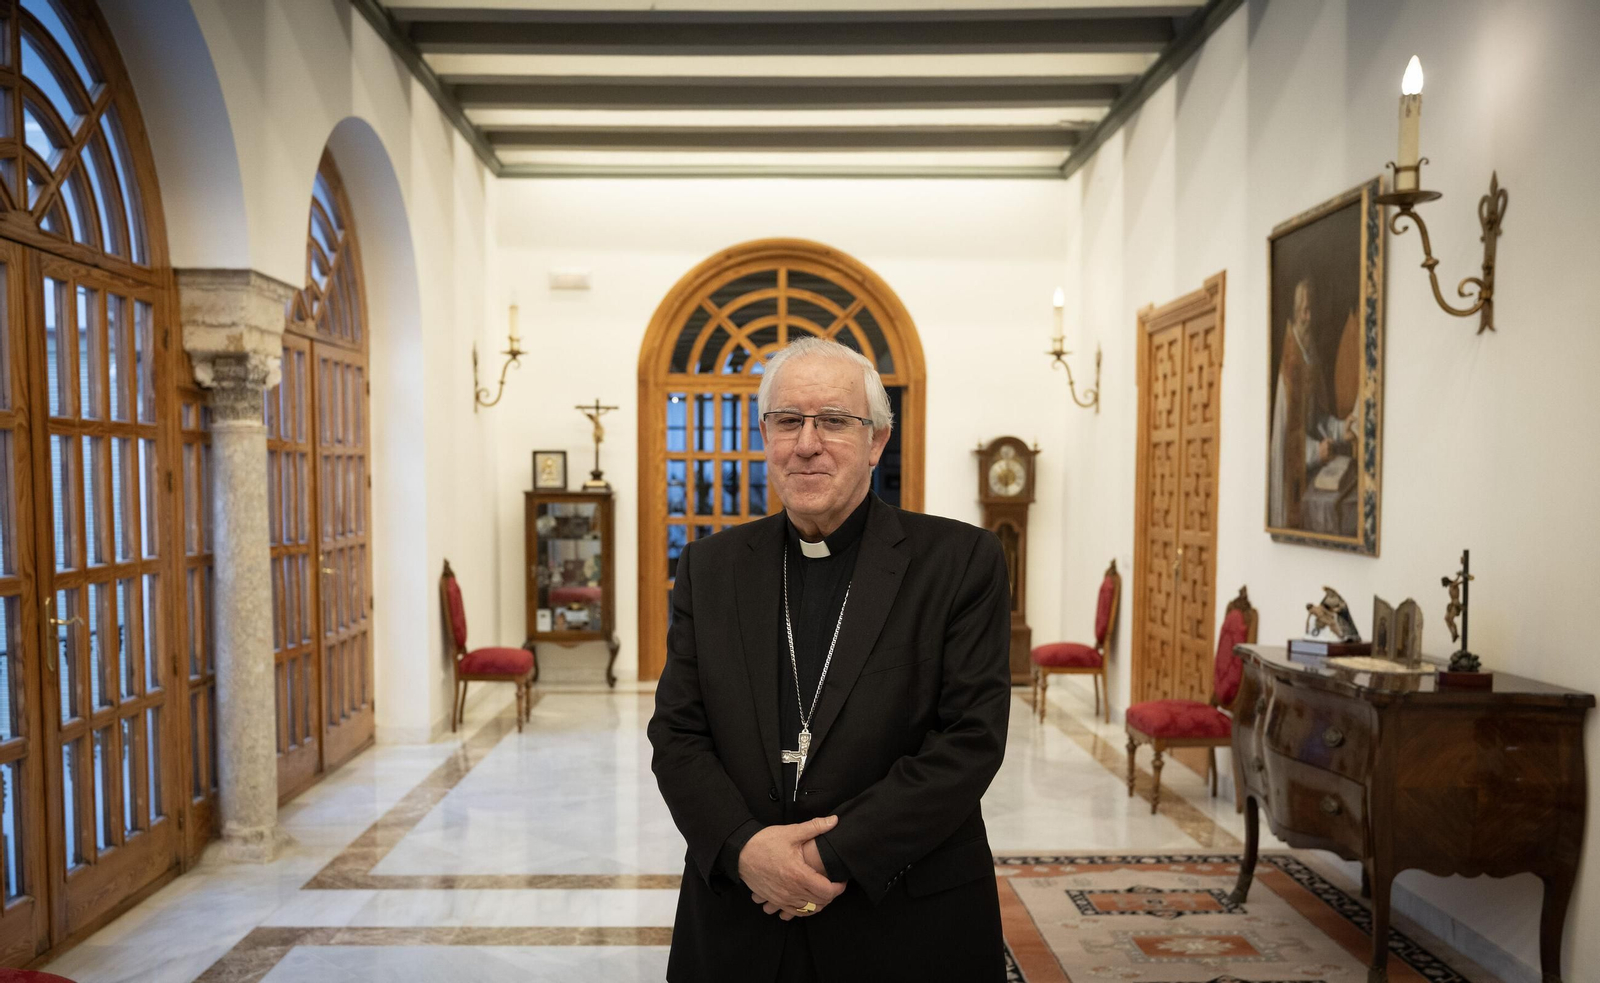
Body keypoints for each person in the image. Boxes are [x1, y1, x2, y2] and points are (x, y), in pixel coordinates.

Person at [648, 337, 1012, 982]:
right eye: (787, 421)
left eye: (835, 421)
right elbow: (678, 733)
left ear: (877, 441)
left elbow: (969, 741)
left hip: (902, 917)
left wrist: (825, 856)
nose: (806, 443)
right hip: (741, 912)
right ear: (766, 436)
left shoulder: (959, 563)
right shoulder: (711, 568)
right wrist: (744, 848)